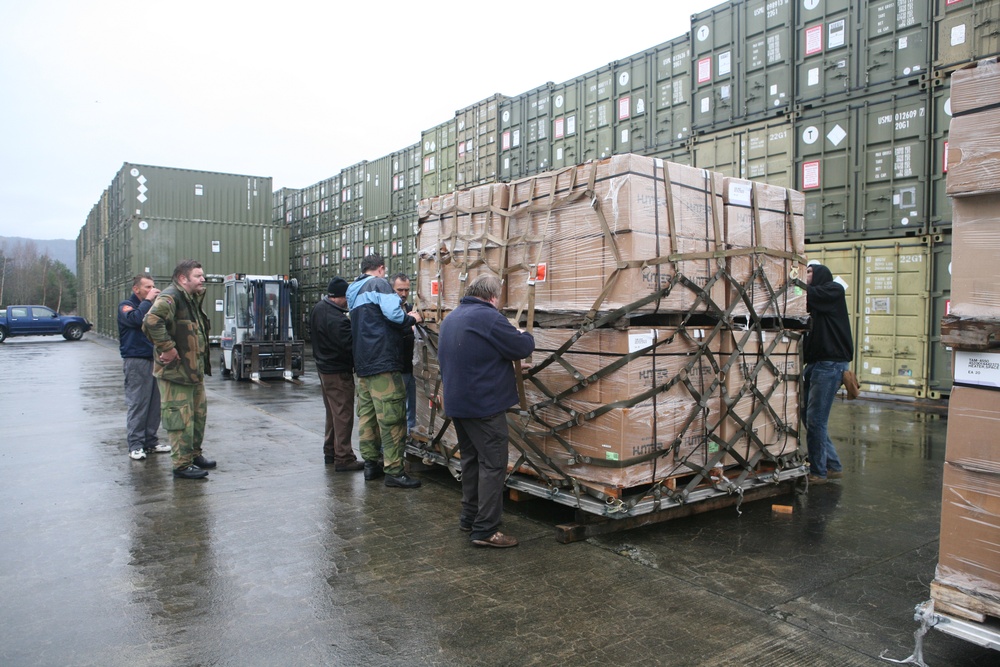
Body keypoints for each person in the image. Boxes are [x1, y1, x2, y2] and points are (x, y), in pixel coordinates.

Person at [437, 274, 535, 548]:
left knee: (471, 461)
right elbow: (522, 347)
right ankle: (486, 530)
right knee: (493, 465)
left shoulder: (452, 318)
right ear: (493, 297)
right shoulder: (489, 317)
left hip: (459, 404)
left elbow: (470, 354)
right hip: (484, 406)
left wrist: (500, 364)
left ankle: (469, 517)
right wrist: (523, 333)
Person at [347, 254, 423, 488]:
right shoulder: (378, 284)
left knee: (368, 417)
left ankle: (371, 465)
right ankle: (394, 471)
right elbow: (394, 314)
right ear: (381, 269)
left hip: (362, 363)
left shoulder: (353, 289)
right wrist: (412, 318)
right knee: (392, 417)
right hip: (383, 361)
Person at [142, 259, 216, 480]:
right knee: (180, 419)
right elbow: (151, 321)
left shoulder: (190, 299)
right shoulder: (171, 297)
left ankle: (193, 455)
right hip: (176, 373)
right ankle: (181, 464)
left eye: (203, 275)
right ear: (183, 278)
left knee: (198, 416)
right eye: (198, 276)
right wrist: (167, 348)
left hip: (193, 372)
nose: (203, 279)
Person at [802, 262, 853, 485]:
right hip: (815, 364)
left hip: (831, 365)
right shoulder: (815, 300)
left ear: (821, 274)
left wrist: (793, 282)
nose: (807, 275)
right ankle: (832, 465)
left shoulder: (833, 290)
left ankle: (818, 472)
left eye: (810, 272)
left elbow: (809, 293)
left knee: (816, 420)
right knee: (807, 415)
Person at [310, 277, 364, 471]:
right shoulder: (338, 320)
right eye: (346, 298)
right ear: (339, 297)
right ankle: (344, 457)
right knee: (343, 414)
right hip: (338, 372)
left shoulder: (318, 309)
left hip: (323, 369)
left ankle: (330, 452)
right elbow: (350, 347)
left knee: (332, 413)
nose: (348, 302)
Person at [118, 273, 170, 460]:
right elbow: (136, 319)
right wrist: (148, 301)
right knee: (138, 403)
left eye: (152, 287)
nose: (151, 290)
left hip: (153, 360)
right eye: (147, 287)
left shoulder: (151, 307)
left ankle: (150, 442)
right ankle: (136, 444)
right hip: (136, 361)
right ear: (136, 289)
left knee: (154, 404)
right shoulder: (127, 306)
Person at [390, 272, 417, 436]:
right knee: (395, 409)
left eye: (406, 290)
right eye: (400, 290)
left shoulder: (410, 308)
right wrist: (409, 326)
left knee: (411, 408)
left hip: (411, 366)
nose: (404, 294)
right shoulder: (387, 310)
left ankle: (409, 438)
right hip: (396, 367)